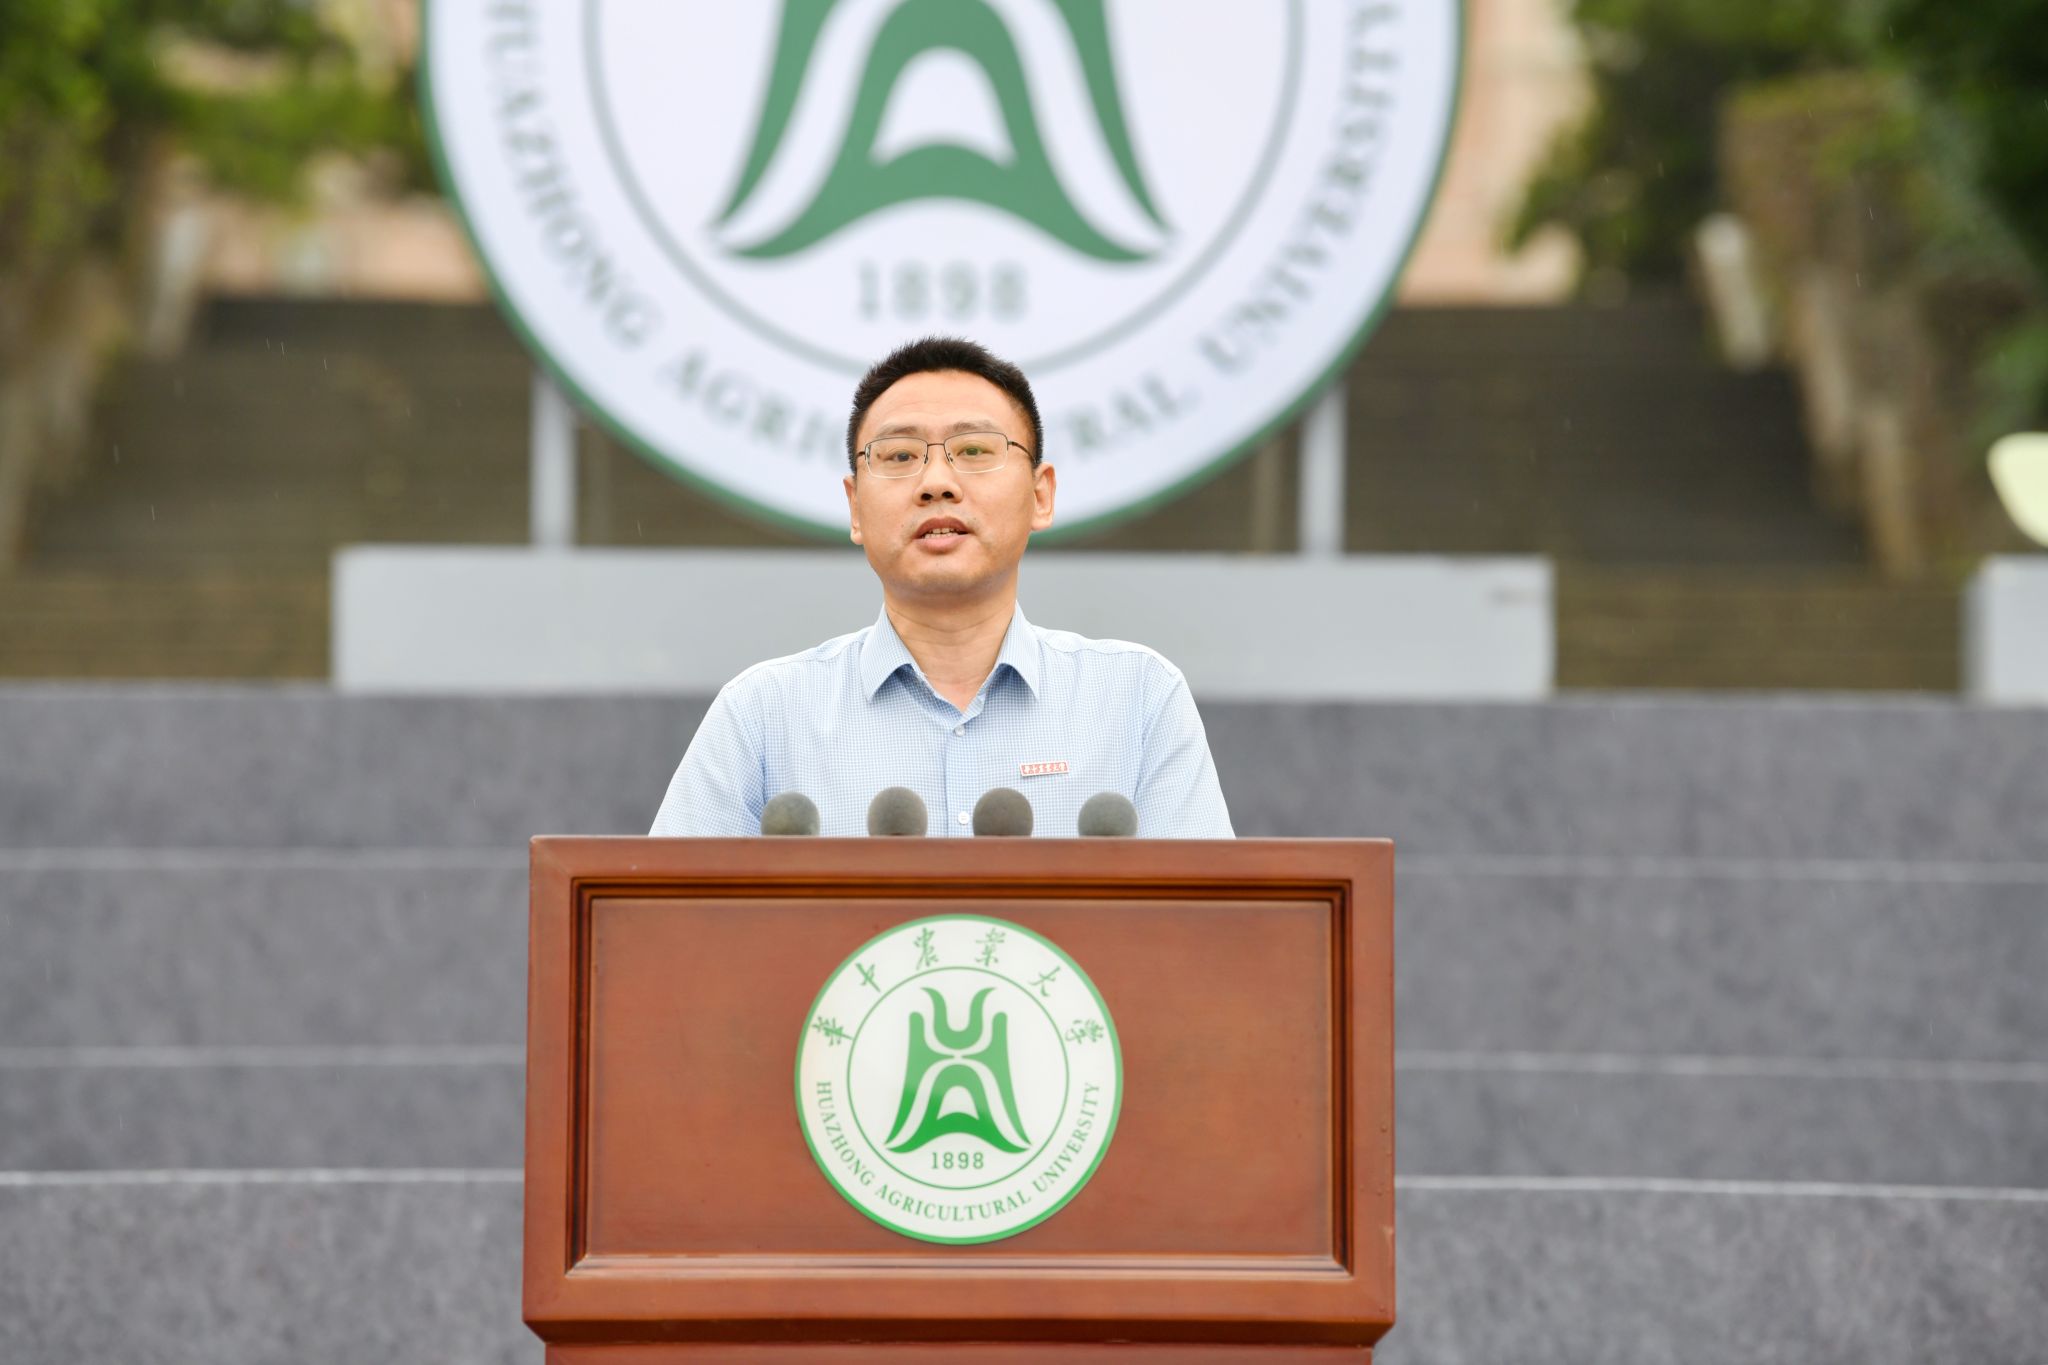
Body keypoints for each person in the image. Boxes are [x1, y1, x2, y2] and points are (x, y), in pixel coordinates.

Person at [649, 336, 1234, 838]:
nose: (936, 483)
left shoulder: (1137, 700)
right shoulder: (765, 714)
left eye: (974, 450)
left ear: (1041, 496)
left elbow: (1208, 922)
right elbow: (663, 920)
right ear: (855, 508)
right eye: (900, 454)